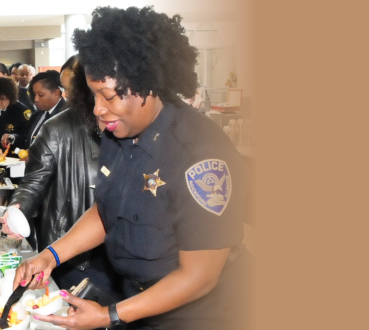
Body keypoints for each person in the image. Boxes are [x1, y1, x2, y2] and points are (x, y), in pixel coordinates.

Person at [16, 6, 251, 330]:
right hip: (132, 300)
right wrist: (51, 255)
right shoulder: (119, 132)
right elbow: (107, 210)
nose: (98, 109)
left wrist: (110, 315)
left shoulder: (201, 157)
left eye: (109, 96)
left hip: (193, 315)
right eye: (93, 94)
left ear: (148, 85)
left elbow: (199, 277)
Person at [2, 59, 127, 307]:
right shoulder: (57, 128)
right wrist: (18, 208)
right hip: (74, 253)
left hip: (123, 256)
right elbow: (33, 182)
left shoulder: (134, 129)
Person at [0, 77, 32, 157]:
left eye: (1, 98)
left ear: (10, 96)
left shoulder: (22, 111)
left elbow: (25, 139)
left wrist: (5, 151)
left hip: (11, 159)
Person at [25, 70, 65, 138]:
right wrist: (14, 138)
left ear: (56, 92)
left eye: (40, 95)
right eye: (34, 94)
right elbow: (28, 139)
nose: (36, 99)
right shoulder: (36, 115)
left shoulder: (66, 117)